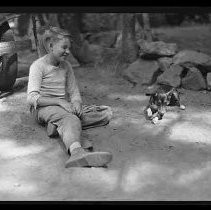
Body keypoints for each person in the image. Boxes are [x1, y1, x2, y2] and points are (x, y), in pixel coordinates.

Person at [27, 26, 113, 168]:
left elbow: (74, 92)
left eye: (69, 48)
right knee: (71, 118)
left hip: (62, 108)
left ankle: (56, 126)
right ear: (50, 46)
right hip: (42, 108)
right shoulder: (38, 66)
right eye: (64, 47)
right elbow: (31, 98)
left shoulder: (66, 66)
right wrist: (60, 102)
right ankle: (77, 152)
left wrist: (77, 103)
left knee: (105, 112)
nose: (68, 52)